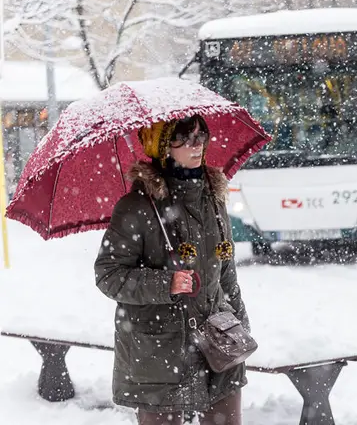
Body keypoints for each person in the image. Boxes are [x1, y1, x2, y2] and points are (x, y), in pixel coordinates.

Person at [94, 114, 249, 425]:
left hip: (217, 340)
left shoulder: (213, 199)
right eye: (185, 137)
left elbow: (227, 270)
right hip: (158, 349)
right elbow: (108, 275)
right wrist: (166, 283)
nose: (197, 144)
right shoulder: (136, 207)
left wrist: (239, 323)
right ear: (163, 146)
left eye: (201, 135)